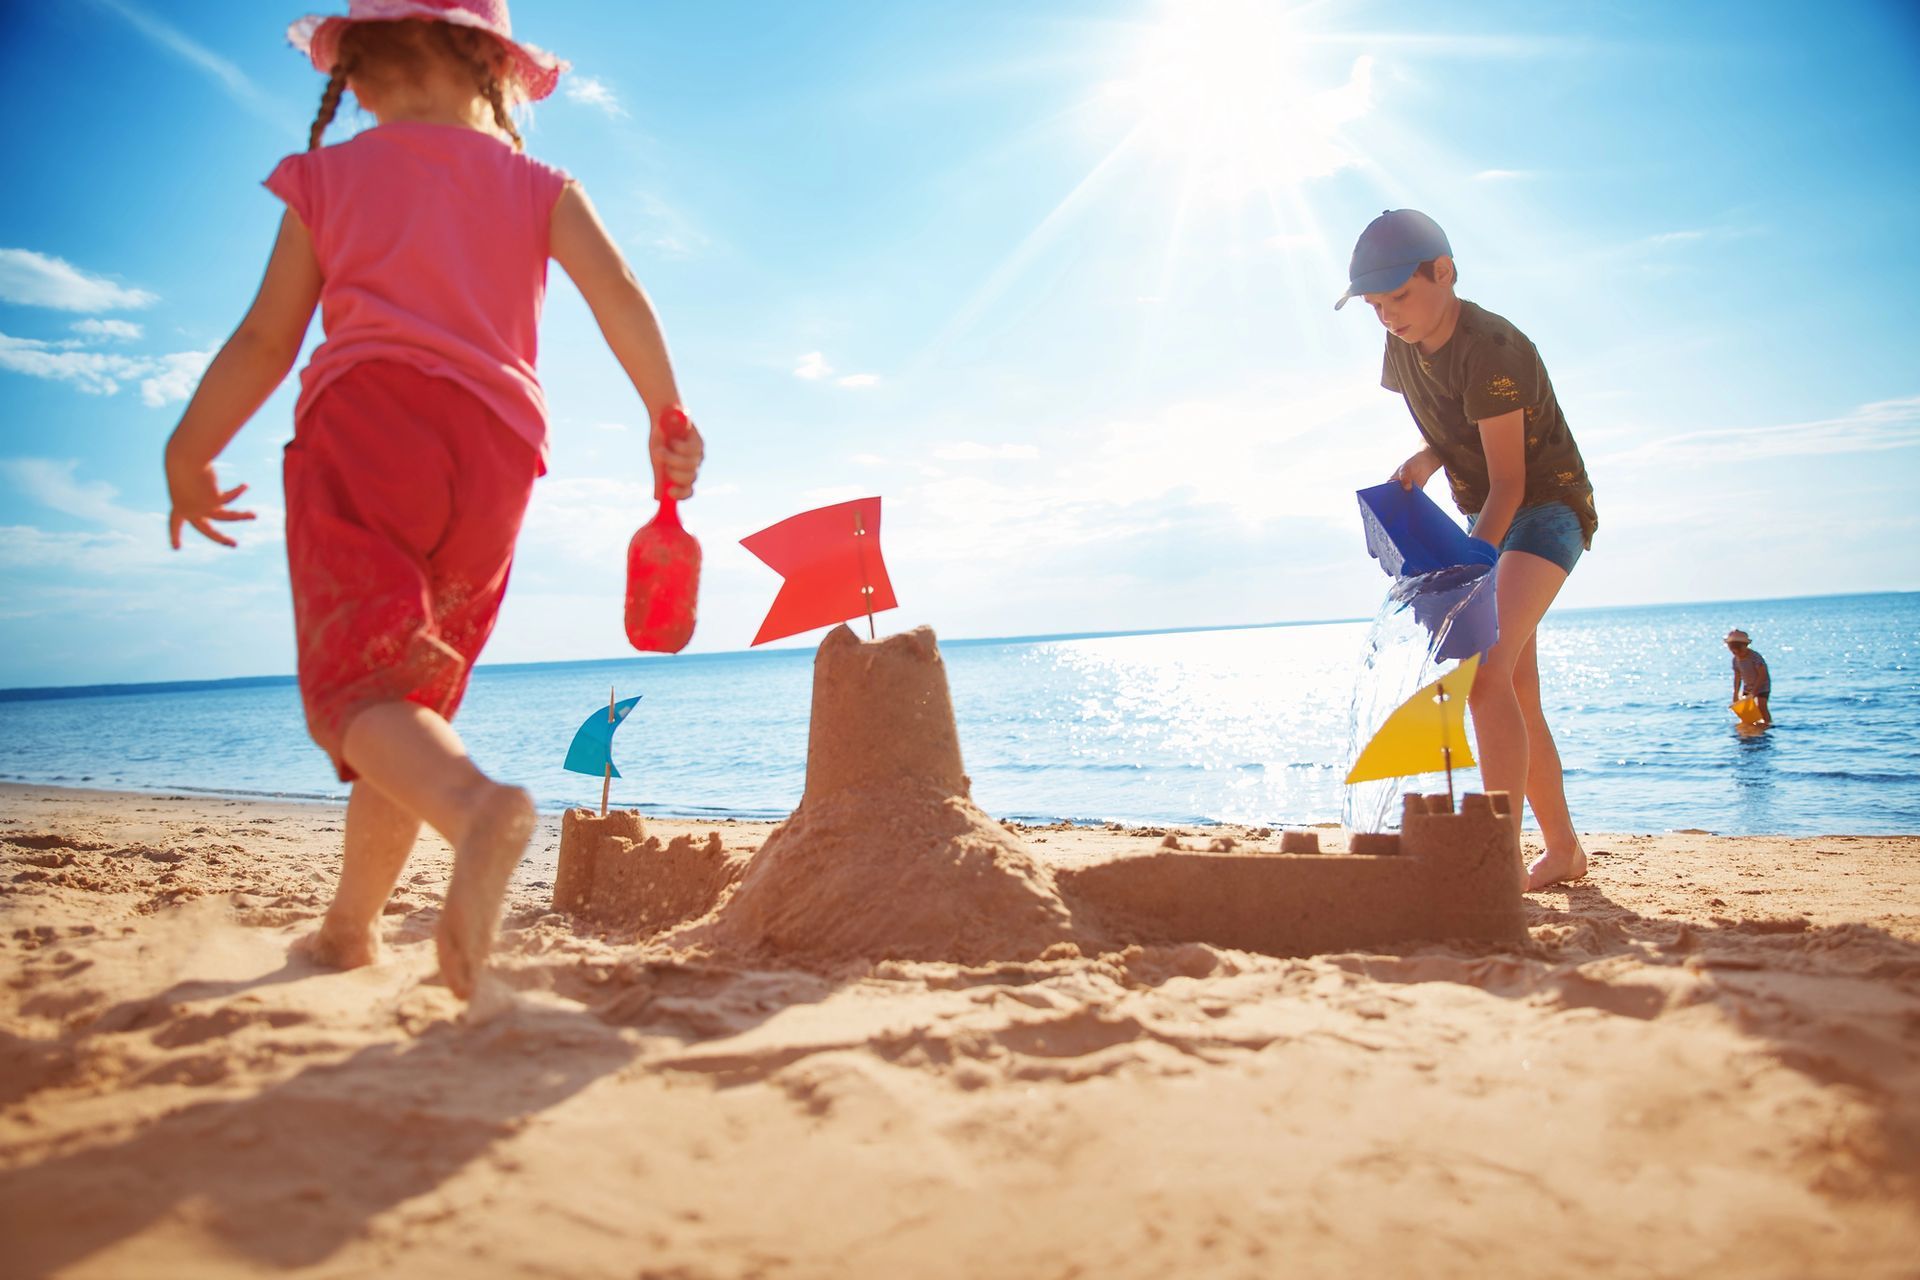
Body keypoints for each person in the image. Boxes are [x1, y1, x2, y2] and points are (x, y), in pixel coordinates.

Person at [162, 0, 704, 999]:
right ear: (493, 67)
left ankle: (478, 809)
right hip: (498, 456)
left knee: (360, 691)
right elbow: (621, 290)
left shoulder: (325, 178)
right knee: (408, 706)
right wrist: (666, 418)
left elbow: (263, 343)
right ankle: (348, 928)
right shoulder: (539, 185)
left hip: (366, 430)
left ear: (353, 76)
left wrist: (190, 448)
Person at [1337, 209, 1598, 891]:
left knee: (1485, 675)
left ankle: (1496, 859)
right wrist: (1425, 462)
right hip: (1484, 513)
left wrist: (1473, 566)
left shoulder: (1493, 349)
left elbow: (1512, 479)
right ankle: (1564, 851)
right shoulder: (1403, 348)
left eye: (1400, 297)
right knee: (1514, 686)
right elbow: (1459, 435)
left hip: (1546, 509)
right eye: (1375, 305)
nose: (1390, 316)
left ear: (1444, 274)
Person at [1725, 629, 1772, 726]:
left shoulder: (1755, 657)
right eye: (1733, 651)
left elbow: (1763, 674)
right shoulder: (1735, 660)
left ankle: (1767, 724)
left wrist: (1755, 692)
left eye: (1739, 651)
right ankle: (1751, 726)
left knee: (1762, 706)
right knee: (1746, 709)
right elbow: (1737, 677)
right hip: (1748, 687)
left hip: (1762, 685)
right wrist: (1735, 694)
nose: (1737, 654)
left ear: (1745, 646)